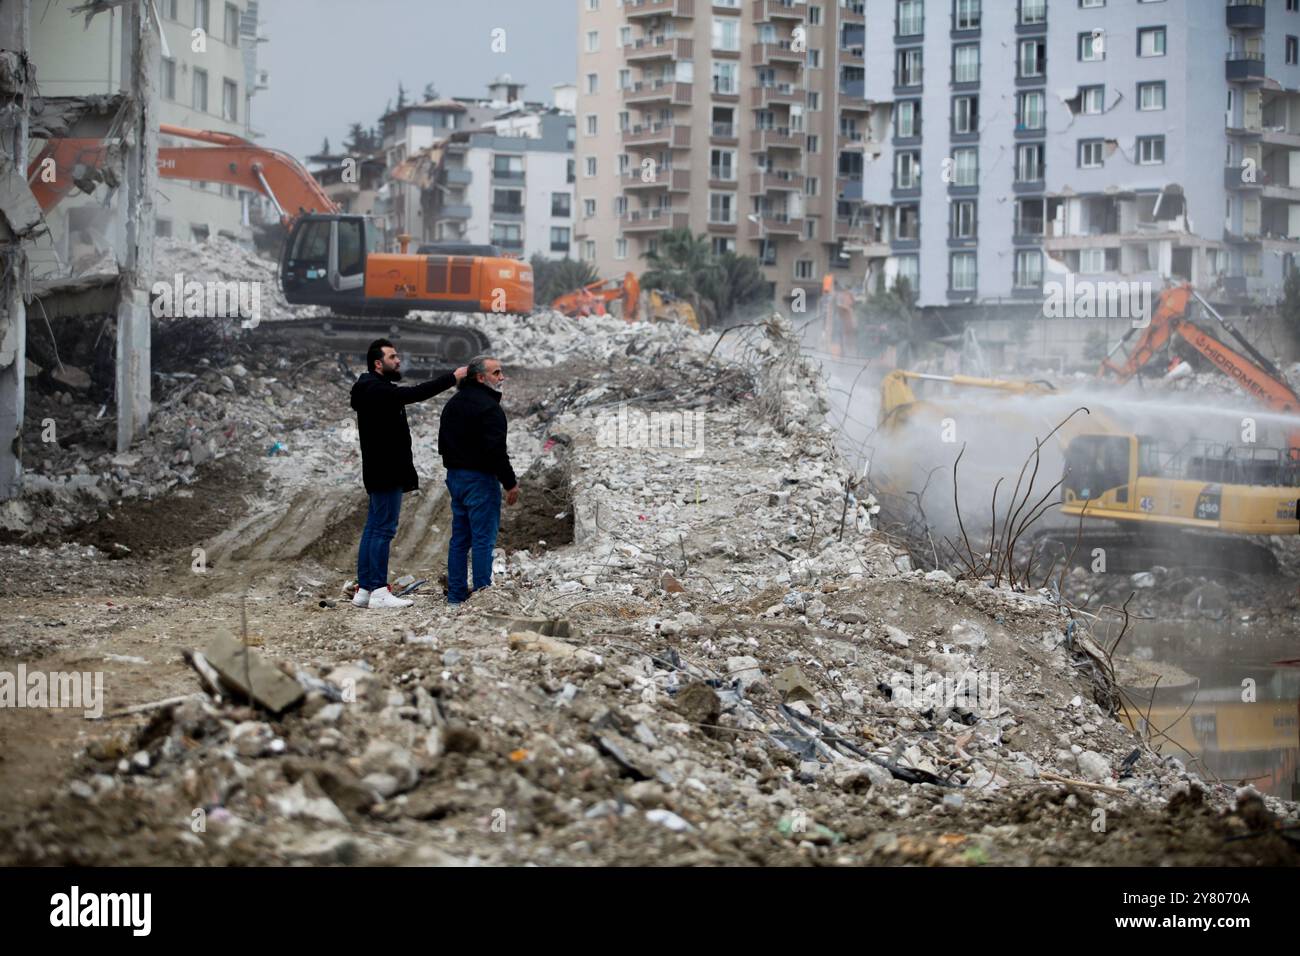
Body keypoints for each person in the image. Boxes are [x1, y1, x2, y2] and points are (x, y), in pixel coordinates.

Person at [350, 339, 465, 609]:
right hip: (386, 469)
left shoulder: (371, 389)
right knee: (383, 529)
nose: (398, 360)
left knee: (374, 527)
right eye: (392, 356)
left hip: (379, 468)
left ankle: (365, 590)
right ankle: (378, 589)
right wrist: (453, 377)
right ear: (378, 363)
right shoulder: (376, 390)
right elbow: (415, 393)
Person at [438, 355, 519, 604]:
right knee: (483, 539)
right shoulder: (489, 408)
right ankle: (484, 594)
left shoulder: (453, 404)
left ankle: (456, 596)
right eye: (496, 373)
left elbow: (442, 444)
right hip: (481, 480)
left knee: (460, 540)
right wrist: (510, 482)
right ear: (480, 377)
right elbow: (496, 450)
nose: (501, 377)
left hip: (456, 478)